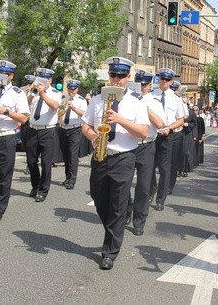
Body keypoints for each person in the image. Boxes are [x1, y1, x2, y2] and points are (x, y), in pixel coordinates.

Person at [82, 56, 149, 270]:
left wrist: (121, 120)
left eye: (121, 76)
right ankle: (116, 224)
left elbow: (143, 132)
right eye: (113, 75)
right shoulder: (97, 98)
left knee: (117, 206)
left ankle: (110, 252)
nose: (116, 79)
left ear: (129, 77)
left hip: (123, 157)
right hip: (101, 155)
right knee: (99, 200)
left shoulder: (136, 101)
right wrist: (93, 136)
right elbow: (86, 125)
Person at [0, 60, 29, 222]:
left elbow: (23, 118)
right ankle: (0, 194)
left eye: (3, 75)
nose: (0, 77)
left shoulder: (17, 93)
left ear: (10, 76)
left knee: (4, 173)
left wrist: (6, 111)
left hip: (6, 136)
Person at [125, 69, 165, 235]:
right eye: (139, 84)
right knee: (124, 182)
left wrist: (145, 108)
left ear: (149, 85)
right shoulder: (127, 99)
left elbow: (160, 124)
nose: (141, 87)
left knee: (143, 186)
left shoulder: (154, 101)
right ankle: (126, 210)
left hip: (147, 145)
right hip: (129, 143)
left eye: (144, 84)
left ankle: (139, 220)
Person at [149, 68, 185, 211]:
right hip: (152, 136)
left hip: (167, 136)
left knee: (165, 169)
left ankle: (160, 199)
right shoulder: (150, 96)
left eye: (168, 79)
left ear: (171, 81)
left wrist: (170, 127)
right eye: (162, 78)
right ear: (158, 79)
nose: (165, 81)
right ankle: (152, 188)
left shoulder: (176, 99)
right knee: (150, 167)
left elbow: (181, 119)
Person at [26, 68, 61, 202]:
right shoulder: (34, 91)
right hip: (33, 129)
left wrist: (43, 94)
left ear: (50, 80)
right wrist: (32, 93)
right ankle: (35, 186)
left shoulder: (55, 93)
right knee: (31, 161)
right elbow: (25, 104)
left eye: (45, 79)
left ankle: (43, 190)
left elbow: (54, 105)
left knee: (46, 163)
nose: (42, 82)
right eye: (40, 78)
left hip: (47, 130)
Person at [57, 79, 87, 189]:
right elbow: (58, 112)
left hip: (75, 129)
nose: (71, 91)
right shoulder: (63, 98)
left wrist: (73, 107)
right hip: (62, 128)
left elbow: (84, 114)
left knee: (72, 154)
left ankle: (72, 179)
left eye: (73, 89)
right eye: (69, 89)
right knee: (65, 154)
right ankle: (67, 177)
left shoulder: (81, 100)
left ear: (77, 89)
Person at [20, 74, 36, 174]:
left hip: (31, 119)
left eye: (30, 83)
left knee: (31, 144)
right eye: (27, 83)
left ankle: (29, 165)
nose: (28, 85)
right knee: (25, 142)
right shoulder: (21, 90)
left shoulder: (36, 91)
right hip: (24, 120)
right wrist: (26, 92)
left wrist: (31, 92)